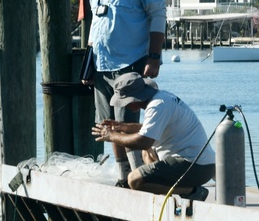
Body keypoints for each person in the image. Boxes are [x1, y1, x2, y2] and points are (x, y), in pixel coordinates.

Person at [80, 0, 167, 185]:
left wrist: (154, 56)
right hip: (102, 65)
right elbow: (96, 23)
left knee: (127, 124)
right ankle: (122, 177)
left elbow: (158, 15)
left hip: (131, 63)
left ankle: (137, 175)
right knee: (107, 126)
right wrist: (89, 63)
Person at [91, 72, 214, 200]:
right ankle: (158, 194)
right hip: (202, 164)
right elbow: (149, 130)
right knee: (147, 153)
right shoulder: (161, 98)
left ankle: (192, 191)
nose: (124, 106)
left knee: (134, 180)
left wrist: (111, 136)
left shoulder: (157, 106)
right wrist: (123, 127)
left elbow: (143, 141)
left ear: (133, 99)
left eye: (124, 102)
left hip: (195, 166)